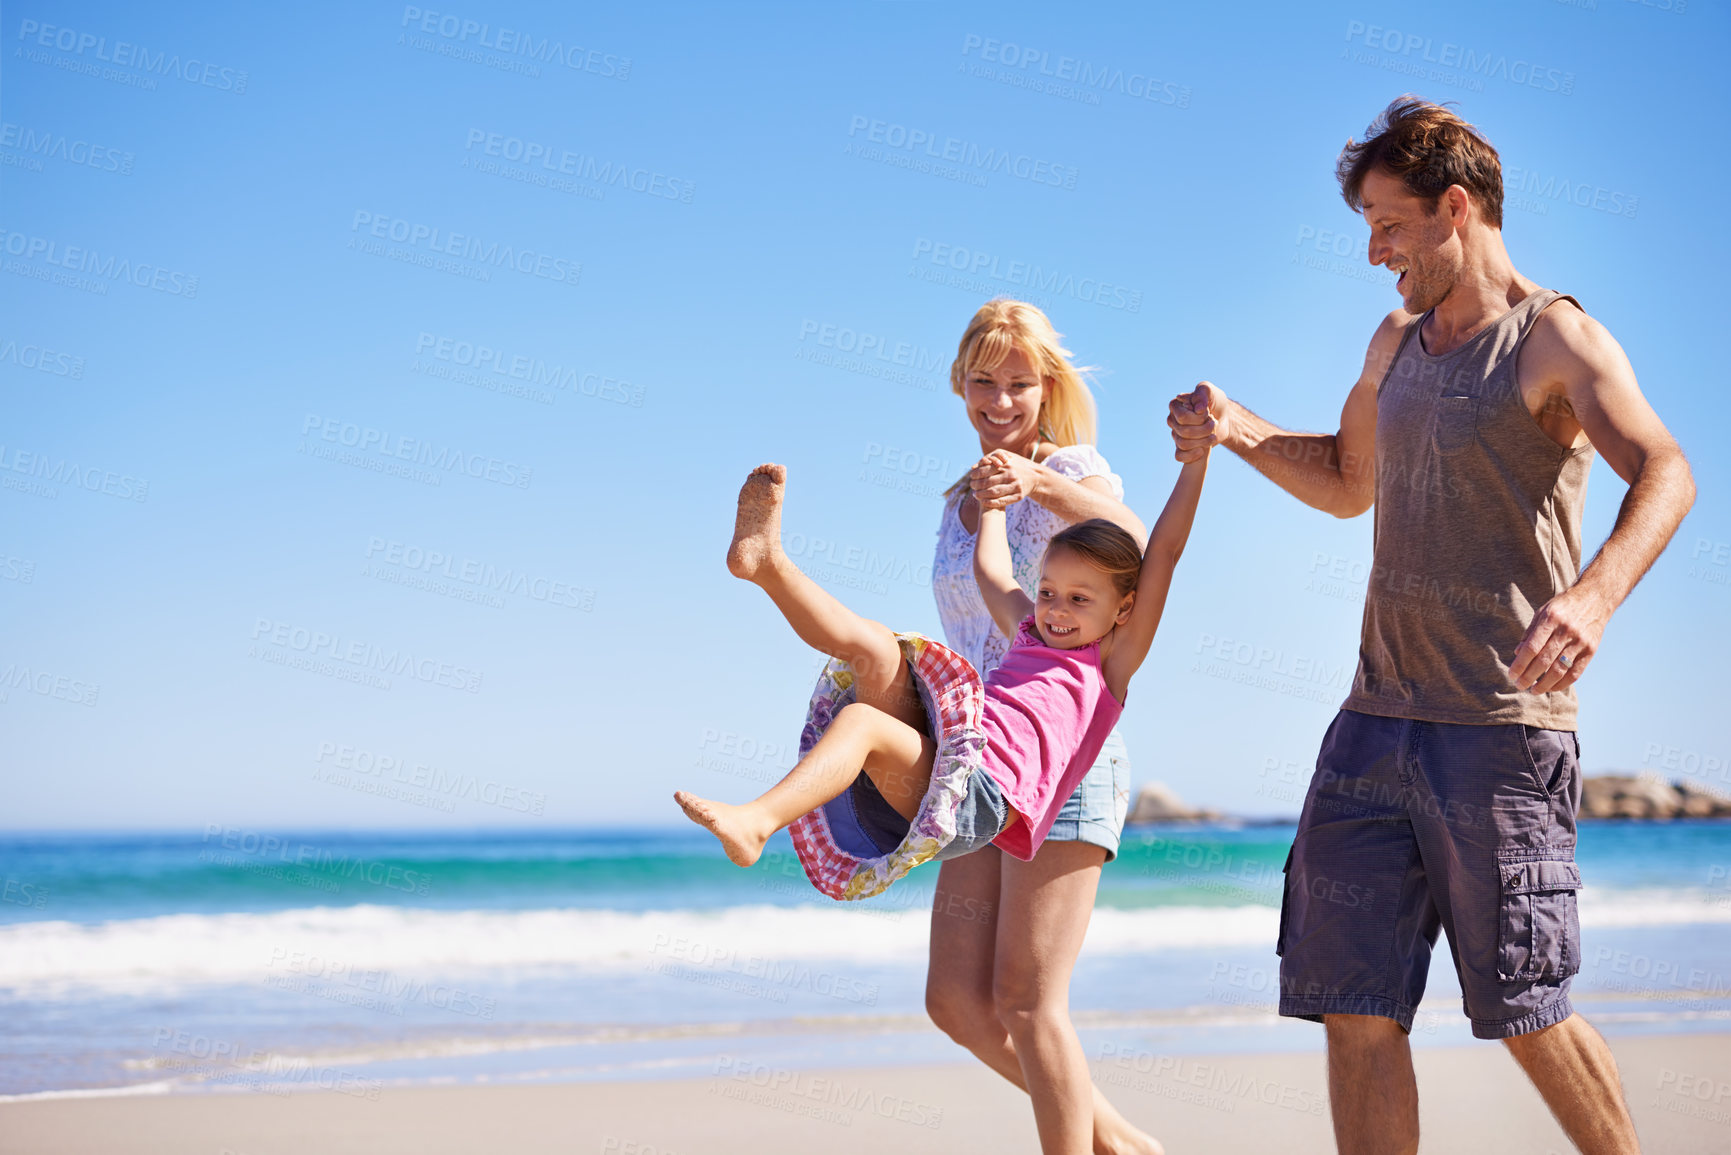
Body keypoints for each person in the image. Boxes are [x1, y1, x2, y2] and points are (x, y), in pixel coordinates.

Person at [1168, 96, 1695, 1155]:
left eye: (1390, 224)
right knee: (1353, 1005)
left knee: (1527, 1009)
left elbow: (1668, 470)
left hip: (1499, 733)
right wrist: (1237, 430)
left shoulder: (1554, 340)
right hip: (1371, 725)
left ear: (1457, 208)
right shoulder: (1396, 341)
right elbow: (1351, 481)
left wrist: (1591, 599)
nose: (1375, 252)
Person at [674, 443, 1205, 886]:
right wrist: (992, 504)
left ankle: (757, 821)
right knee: (878, 650)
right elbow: (991, 570)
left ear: (1124, 609)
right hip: (937, 765)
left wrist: (1196, 460)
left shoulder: (1108, 663)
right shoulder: (1028, 631)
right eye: (1047, 591)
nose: (1056, 609)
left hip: (978, 798)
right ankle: (768, 566)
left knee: (860, 720)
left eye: (1079, 599)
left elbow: (1166, 552)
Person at [922, 300, 1164, 1155]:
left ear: (1046, 386)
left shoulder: (1075, 467)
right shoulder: (961, 495)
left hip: (1064, 754)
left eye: (1018, 383)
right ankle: (1127, 1147)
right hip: (980, 762)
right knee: (954, 1000)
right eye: (982, 382)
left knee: (1029, 1002)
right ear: (959, 384)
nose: (999, 400)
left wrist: (1038, 483)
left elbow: (1138, 542)